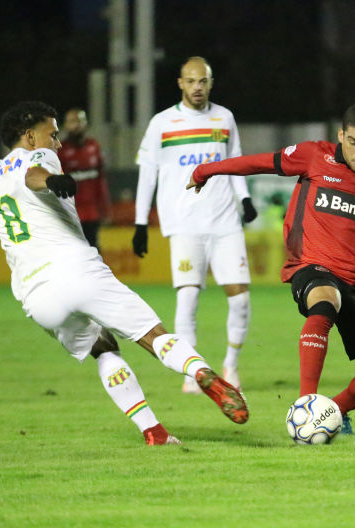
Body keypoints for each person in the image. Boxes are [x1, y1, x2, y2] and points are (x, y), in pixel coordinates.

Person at [0, 101, 248, 446]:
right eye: (53, 134)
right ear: (31, 137)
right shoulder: (40, 158)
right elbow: (33, 176)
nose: (58, 143)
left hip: (36, 297)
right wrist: (52, 180)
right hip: (77, 271)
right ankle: (202, 373)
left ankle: (154, 432)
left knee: (103, 348)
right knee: (151, 335)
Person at [187, 103, 355, 433]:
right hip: (312, 266)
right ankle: (305, 404)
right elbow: (260, 162)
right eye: (353, 141)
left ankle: (330, 412)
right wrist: (207, 170)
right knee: (325, 302)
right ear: (341, 135)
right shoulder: (313, 156)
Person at [133, 56, 257, 394]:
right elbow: (148, 174)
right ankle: (194, 373)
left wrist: (244, 199)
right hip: (184, 225)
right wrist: (140, 222)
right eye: (191, 81)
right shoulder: (162, 122)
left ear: (211, 83)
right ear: (180, 83)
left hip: (224, 222)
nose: (197, 87)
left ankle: (231, 367)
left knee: (241, 300)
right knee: (188, 298)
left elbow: (236, 163)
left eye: (203, 81)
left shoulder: (224, 118)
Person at [58, 108, 112, 250]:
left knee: (93, 252)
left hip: (92, 213)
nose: (76, 125)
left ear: (86, 123)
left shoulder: (94, 147)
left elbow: (101, 180)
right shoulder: (61, 151)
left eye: (80, 121)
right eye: (72, 121)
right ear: (65, 125)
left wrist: (105, 208)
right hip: (70, 215)